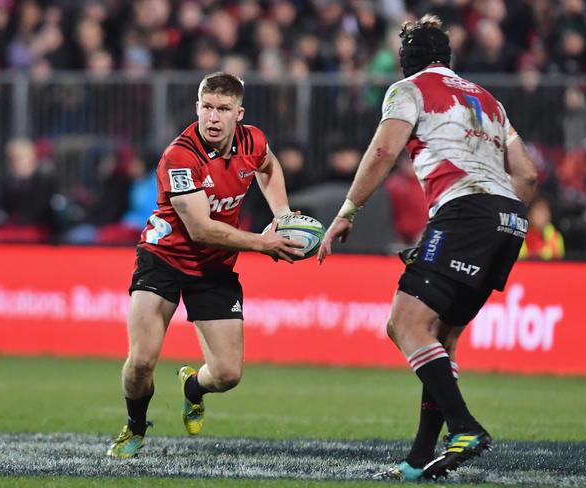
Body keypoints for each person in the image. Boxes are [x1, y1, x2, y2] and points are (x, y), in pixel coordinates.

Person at [318, 15, 537, 480]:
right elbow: (529, 175)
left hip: (465, 212)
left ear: (404, 62)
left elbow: (382, 152)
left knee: (405, 322)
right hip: (508, 218)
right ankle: (420, 459)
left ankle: (464, 427)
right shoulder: (488, 99)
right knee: (441, 338)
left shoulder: (409, 89)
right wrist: (502, 216)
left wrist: (348, 210)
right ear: (448, 56)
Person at [107, 72, 304, 458]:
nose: (213, 117)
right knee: (142, 360)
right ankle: (134, 426)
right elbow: (199, 229)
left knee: (228, 374)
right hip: (163, 258)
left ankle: (192, 388)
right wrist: (264, 243)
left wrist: (281, 213)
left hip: (213, 268)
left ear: (239, 114)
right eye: (208, 107)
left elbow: (269, 166)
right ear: (197, 107)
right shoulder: (180, 156)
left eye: (223, 109)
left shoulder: (254, 140)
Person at [519, 194, 564, 260]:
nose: (545, 215)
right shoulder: (517, 234)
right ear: (529, 214)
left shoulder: (555, 236)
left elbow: (559, 264)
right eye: (539, 211)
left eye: (546, 211)